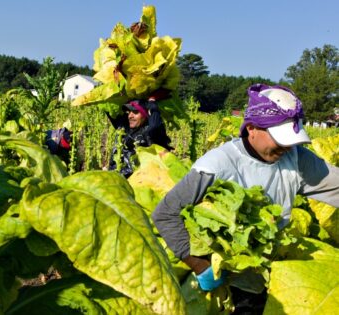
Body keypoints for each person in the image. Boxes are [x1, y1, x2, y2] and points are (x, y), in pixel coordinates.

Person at [152, 83, 339, 313]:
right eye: (281, 139)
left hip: (271, 273)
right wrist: (201, 266)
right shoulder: (218, 165)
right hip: (227, 282)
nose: (287, 148)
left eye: (292, 141)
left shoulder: (296, 159)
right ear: (251, 128)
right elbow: (165, 214)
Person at [107, 97, 173, 178]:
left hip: (140, 181)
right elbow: (108, 108)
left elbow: (155, 126)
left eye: (135, 112)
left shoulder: (150, 133)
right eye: (129, 112)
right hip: (117, 179)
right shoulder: (125, 127)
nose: (130, 116)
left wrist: (153, 107)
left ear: (145, 115)